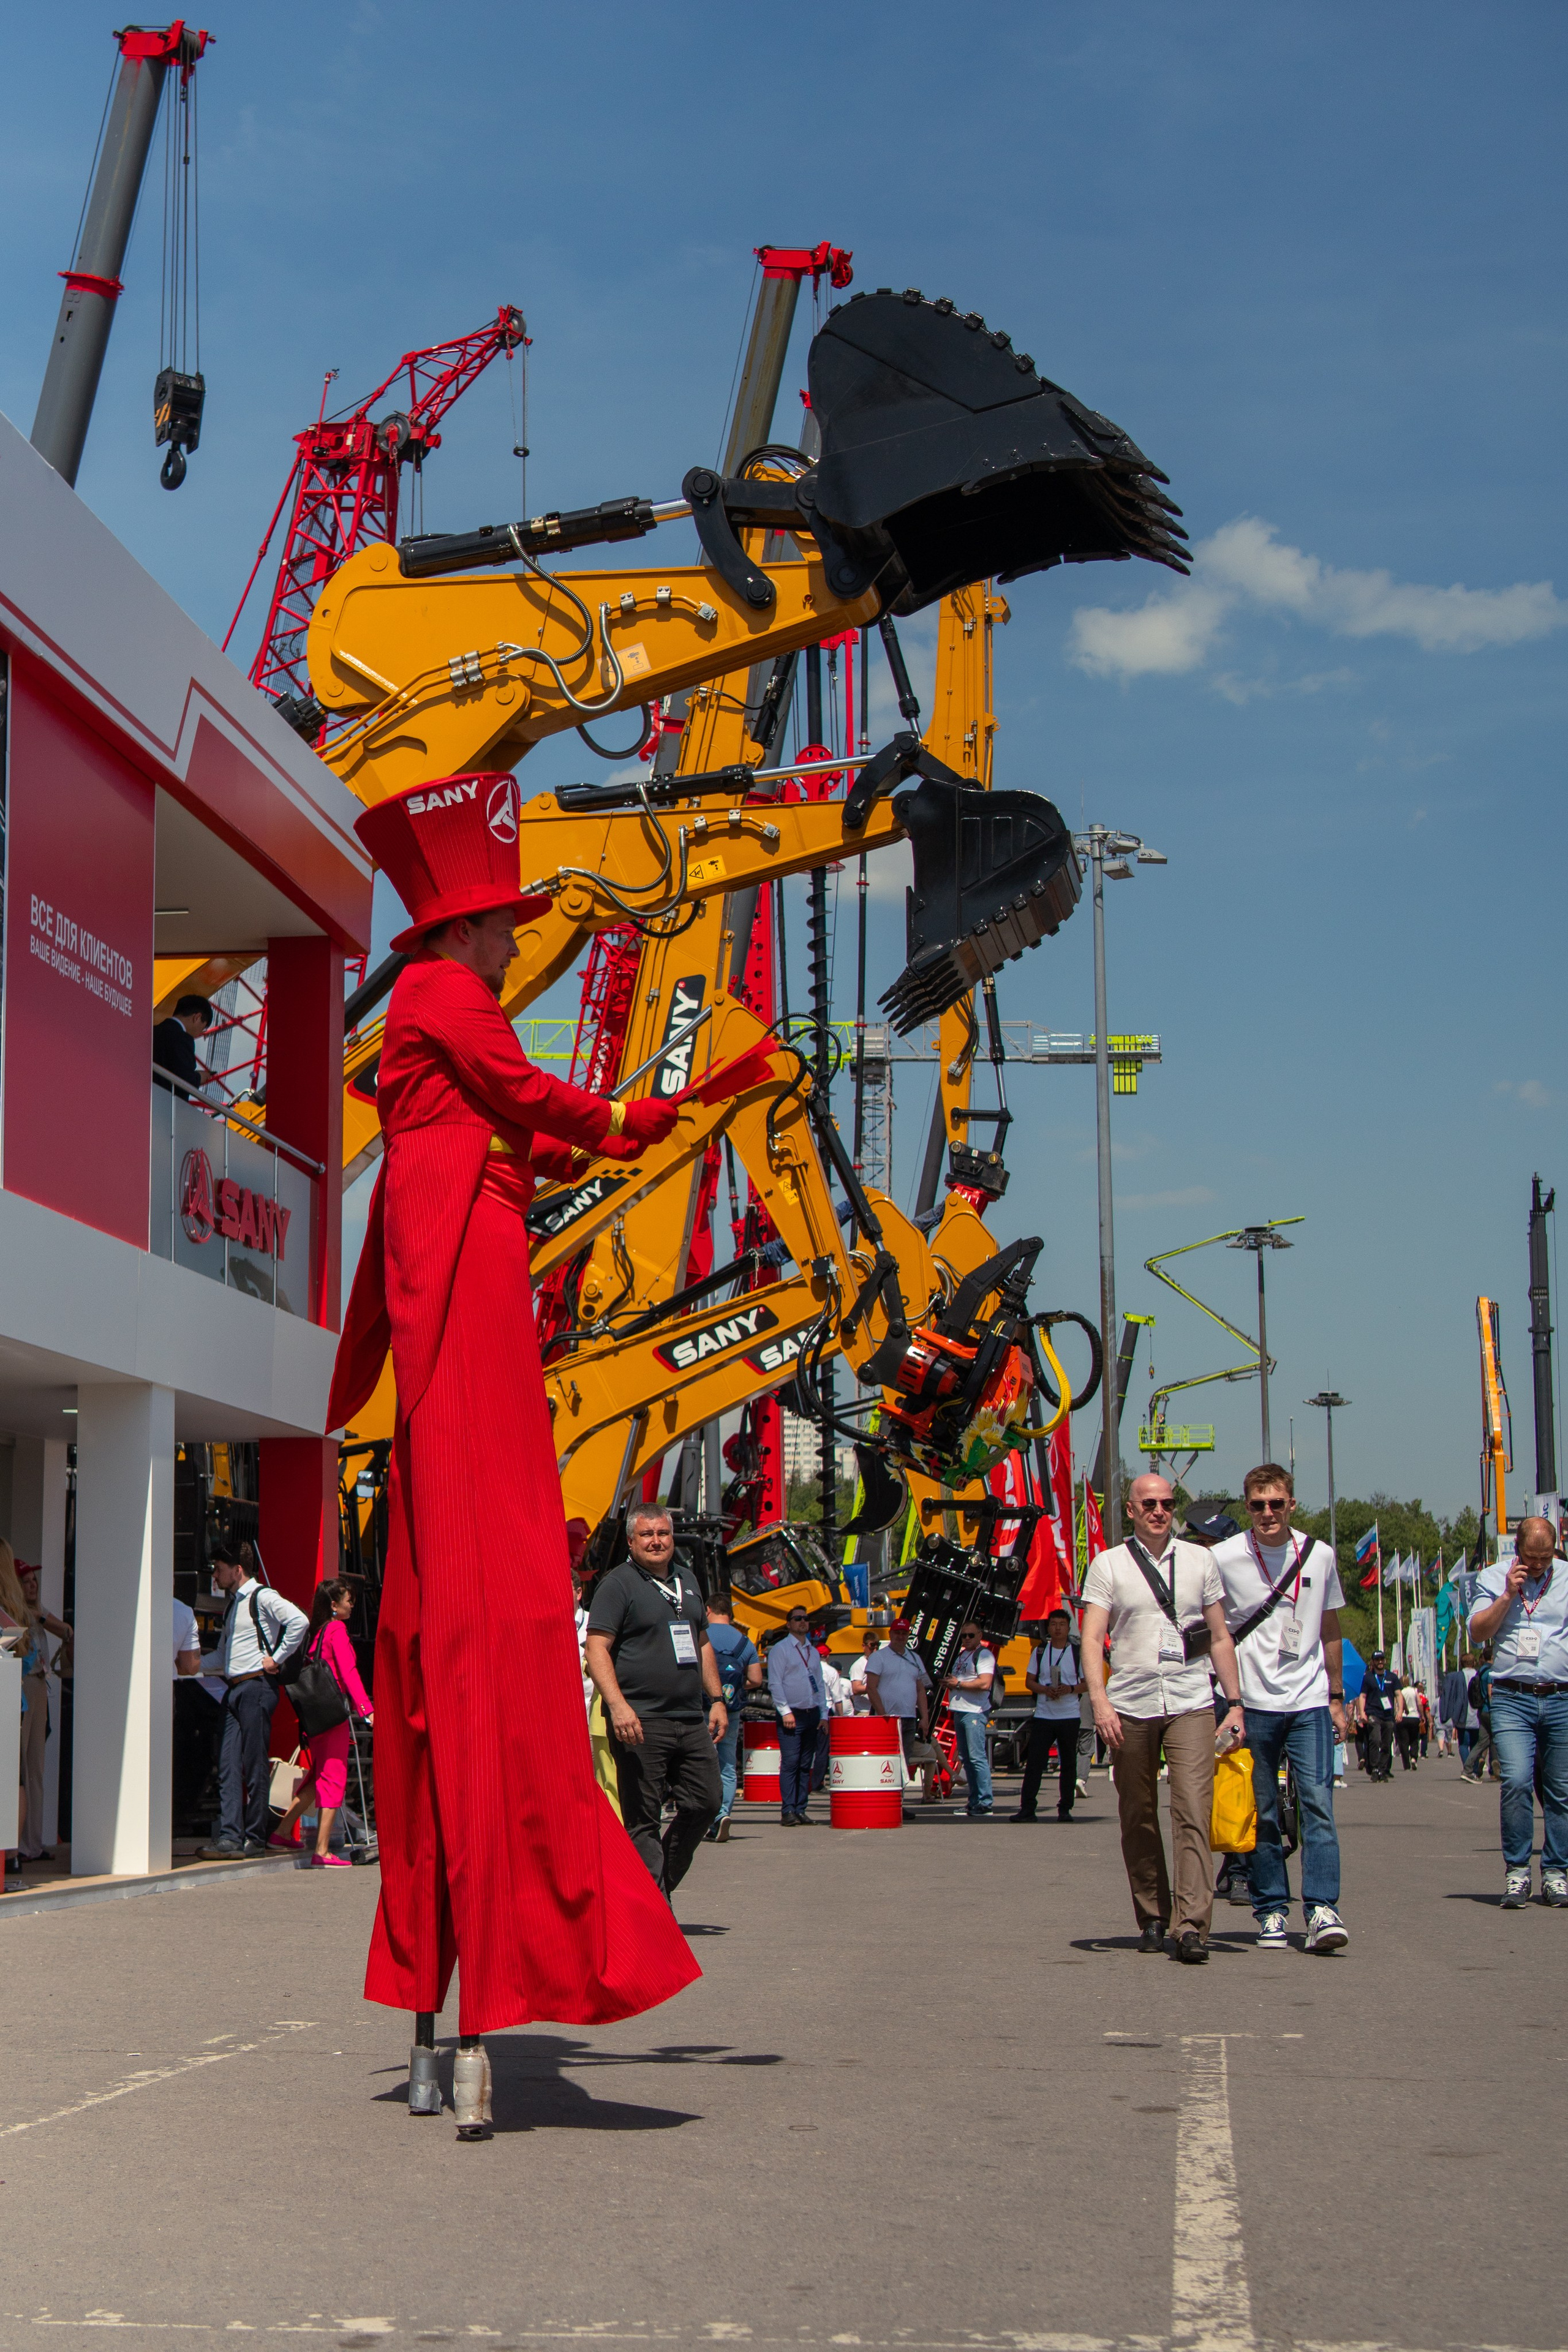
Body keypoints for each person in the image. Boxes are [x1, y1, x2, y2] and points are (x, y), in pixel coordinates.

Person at [329, 779, 722, 2130]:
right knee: (483, 1547)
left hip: (467, 1255)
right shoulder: (445, 997)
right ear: (469, 923)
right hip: (461, 1266)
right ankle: (485, 1977)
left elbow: (508, 1123)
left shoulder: (434, 1015)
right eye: (505, 923)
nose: (515, 944)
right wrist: (637, 1119)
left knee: (472, 1561)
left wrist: (600, 1137)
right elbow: (529, 1097)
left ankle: (462, 1995)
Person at [1080, 1471, 1246, 1964]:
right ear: (1130, 1510)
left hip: (1191, 1700)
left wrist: (1234, 1703)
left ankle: (1191, 1926)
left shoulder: (1201, 1561)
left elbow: (1219, 1636)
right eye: (1149, 1503)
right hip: (1129, 1704)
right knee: (1138, 1813)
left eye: (1168, 1503)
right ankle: (1153, 1912)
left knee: (1194, 1810)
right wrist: (1100, 1702)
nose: (1159, 1511)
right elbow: (1092, 1639)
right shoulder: (1108, 1565)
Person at [1212, 1464, 1351, 1954]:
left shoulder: (1319, 1555)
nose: (1267, 1513)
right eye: (1257, 1505)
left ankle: (1321, 1909)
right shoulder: (1224, 1558)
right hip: (1252, 1704)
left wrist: (1336, 1697)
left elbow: (1330, 1628)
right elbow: (1216, 1631)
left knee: (1317, 1804)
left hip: (1309, 1699)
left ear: (1292, 1503)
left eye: (1276, 1503)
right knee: (1264, 1811)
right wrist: (1229, 1702)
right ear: (1246, 1506)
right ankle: (1271, 1908)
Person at [585, 1503, 725, 1893]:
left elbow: (702, 1642)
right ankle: (654, 1908)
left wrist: (716, 1698)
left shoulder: (688, 1581)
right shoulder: (618, 1585)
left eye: (662, 1533)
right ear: (631, 1541)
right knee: (643, 1818)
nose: (656, 1541)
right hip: (640, 1721)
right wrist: (618, 1706)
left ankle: (655, 1888)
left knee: (706, 1802)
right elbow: (596, 1649)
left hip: (690, 1718)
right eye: (647, 1535)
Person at [1468, 1517, 1568, 1907]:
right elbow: (1477, 1631)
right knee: (1516, 1781)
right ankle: (1518, 1872)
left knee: (1560, 1791)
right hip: (1512, 1698)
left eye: (1546, 1558)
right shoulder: (1493, 1578)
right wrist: (1508, 1595)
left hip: (1560, 1696)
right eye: (1532, 1557)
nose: (1540, 1565)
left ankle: (1557, 1872)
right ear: (1517, 1550)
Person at [198, 1542, 309, 1858]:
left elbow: (299, 1621)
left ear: (238, 1570)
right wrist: (188, 1667)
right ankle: (231, 1837)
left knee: (253, 1762)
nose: (215, 1576)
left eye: (219, 1570)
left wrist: (276, 1658)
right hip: (236, 1688)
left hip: (256, 1686)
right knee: (229, 1764)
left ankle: (255, 1836)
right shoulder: (234, 1605)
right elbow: (223, 1653)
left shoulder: (262, 1597)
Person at [268, 1582, 375, 1867]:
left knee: (318, 1778)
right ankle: (323, 1851)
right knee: (334, 1777)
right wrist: (366, 1708)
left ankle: (281, 1833)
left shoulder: (316, 1633)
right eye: (348, 1601)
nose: (351, 1605)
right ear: (334, 1605)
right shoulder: (337, 1630)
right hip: (333, 1714)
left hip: (316, 1716)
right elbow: (348, 1671)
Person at [15, 1559, 67, 1861]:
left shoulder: (39, 1612)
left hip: (39, 1685)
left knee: (35, 1767)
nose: (32, 1585)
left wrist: (43, 1617)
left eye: (34, 1580)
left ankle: (32, 1844)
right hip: (22, 1683)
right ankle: (17, 1845)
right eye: (26, 1581)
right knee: (21, 1767)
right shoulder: (14, 1612)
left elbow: (67, 1631)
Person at [1012, 1608, 1083, 1822]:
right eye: (1054, 1624)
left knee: (1069, 1762)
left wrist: (1069, 1689)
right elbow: (1029, 1681)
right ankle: (1027, 1809)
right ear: (1048, 1628)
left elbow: (1088, 1684)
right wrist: (1045, 1690)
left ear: (1069, 1628)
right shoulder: (1041, 1651)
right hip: (1045, 1714)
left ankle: (1065, 1808)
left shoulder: (1077, 1653)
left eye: (1062, 1624)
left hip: (1069, 1714)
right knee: (1034, 1762)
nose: (1058, 1628)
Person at [703, 1594, 761, 1841]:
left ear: (708, 1610)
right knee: (728, 1764)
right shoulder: (744, 1642)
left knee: (704, 1763)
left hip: (703, 1707)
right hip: (731, 1709)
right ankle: (724, 1812)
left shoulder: (701, 1637)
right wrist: (733, 1688)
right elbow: (756, 1680)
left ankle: (711, 1817)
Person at [767, 1604, 828, 1824]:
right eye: (798, 1619)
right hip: (792, 1715)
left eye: (806, 1618)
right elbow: (775, 1683)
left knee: (805, 1764)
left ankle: (801, 1808)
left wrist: (824, 1715)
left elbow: (819, 1685)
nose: (803, 1622)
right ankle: (788, 1810)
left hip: (811, 1713)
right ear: (789, 1624)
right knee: (791, 1763)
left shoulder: (812, 1650)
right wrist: (785, 1711)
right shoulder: (781, 1650)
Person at [865, 1619, 933, 1798]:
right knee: (885, 1760)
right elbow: (871, 1688)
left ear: (908, 1635)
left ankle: (898, 1801)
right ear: (890, 1634)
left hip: (909, 1718)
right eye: (897, 1633)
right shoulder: (879, 1657)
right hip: (887, 1719)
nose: (900, 1637)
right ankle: (882, 1799)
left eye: (904, 1633)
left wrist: (925, 1718)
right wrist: (882, 1715)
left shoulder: (915, 1658)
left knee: (904, 1761)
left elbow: (921, 1689)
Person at [946, 1622, 997, 1819]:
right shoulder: (961, 1655)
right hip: (960, 1710)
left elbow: (985, 1683)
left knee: (977, 1758)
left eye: (971, 1635)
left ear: (980, 1635)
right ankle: (974, 1801)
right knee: (967, 1758)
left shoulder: (983, 1655)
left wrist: (958, 1683)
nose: (967, 1639)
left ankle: (985, 1802)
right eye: (964, 1636)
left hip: (974, 1711)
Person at [151, 995, 216, 1096]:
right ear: (197, 1018)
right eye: (202, 1028)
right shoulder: (183, 1039)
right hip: (165, 1102)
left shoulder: (153, 1030)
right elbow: (184, 1080)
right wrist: (199, 1077)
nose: (199, 1033)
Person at [1356, 1651, 1398, 1781]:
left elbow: (1399, 1694)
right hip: (1373, 1713)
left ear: (1385, 1661)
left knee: (1387, 1743)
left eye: (1382, 1659)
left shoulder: (1392, 1677)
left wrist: (1400, 1710)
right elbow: (1362, 1696)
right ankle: (1374, 1767)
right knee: (1375, 1739)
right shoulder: (1368, 1677)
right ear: (1373, 1662)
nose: (1380, 1662)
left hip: (1388, 1715)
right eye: (1377, 1660)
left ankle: (1382, 1768)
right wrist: (1362, 1712)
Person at [1461, 1650, 1499, 1781]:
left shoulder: (1481, 1670)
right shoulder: (1491, 1672)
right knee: (1495, 1739)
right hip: (1490, 1710)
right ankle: (1495, 1768)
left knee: (1483, 1741)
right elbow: (1491, 1692)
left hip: (1481, 1711)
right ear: (1493, 1657)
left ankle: (1468, 1769)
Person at [1395, 1673, 1422, 1770]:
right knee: (1414, 1739)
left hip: (1402, 1717)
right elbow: (1419, 1704)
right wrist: (1421, 1715)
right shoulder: (1414, 1690)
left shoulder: (1399, 1692)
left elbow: (1396, 1705)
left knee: (1404, 1742)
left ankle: (1406, 1764)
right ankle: (1414, 1757)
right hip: (1414, 1717)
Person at [848, 1630, 880, 1713]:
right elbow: (856, 1688)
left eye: (878, 1646)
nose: (875, 1650)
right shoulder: (859, 1665)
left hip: (878, 1710)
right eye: (872, 1646)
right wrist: (874, 1687)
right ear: (864, 1646)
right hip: (864, 1711)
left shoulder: (880, 1663)